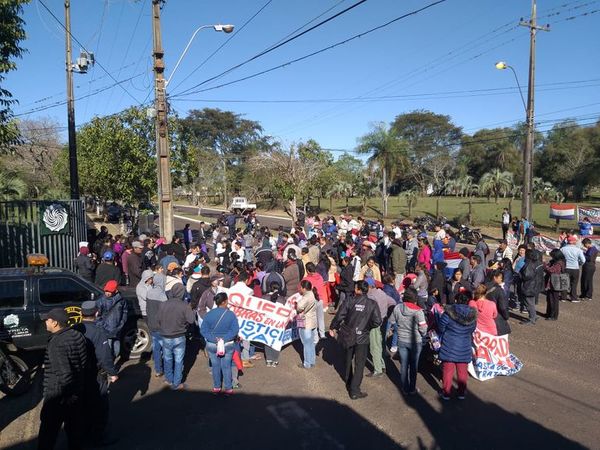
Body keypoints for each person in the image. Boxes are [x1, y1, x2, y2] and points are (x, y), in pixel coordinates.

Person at [38, 308, 88, 450]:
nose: (45, 322)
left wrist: (68, 395)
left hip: (59, 395)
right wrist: (76, 392)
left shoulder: (56, 343)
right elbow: (83, 363)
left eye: (47, 320)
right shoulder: (77, 335)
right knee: (74, 432)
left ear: (55, 323)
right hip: (76, 392)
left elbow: (64, 374)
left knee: (48, 434)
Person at [329, 280, 382, 400]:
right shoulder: (372, 304)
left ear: (358, 289)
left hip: (349, 334)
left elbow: (339, 316)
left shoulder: (349, 300)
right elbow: (377, 321)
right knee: (360, 363)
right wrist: (367, 328)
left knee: (348, 359)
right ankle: (354, 389)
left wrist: (333, 327)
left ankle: (349, 382)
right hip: (362, 337)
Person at [79, 301, 118, 446]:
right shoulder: (98, 332)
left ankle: (84, 433)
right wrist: (112, 372)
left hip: (78, 375)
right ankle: (99, 437)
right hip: (95, 375)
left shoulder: (75, 329)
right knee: (100, 407)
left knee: (83, 406)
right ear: (96, 313)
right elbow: (104, 356)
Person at [438, 292, 477, 400]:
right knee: (462, 371)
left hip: (449, 344)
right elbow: (472, 329)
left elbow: (441, 326)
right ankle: (461, 393)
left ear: (456, 300)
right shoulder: (472, 315)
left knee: (448, 371)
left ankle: (446, 393)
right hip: (464, 345)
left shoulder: (448, 313)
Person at [388, 287, 427, 395]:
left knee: (404, 365)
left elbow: (391, 320)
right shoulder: (419, 312)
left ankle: (405, 388)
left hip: (402, 340)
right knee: (413, 366)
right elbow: (423, 329)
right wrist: (423, 334)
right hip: (416, 342)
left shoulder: (397, 307)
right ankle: (412, 388)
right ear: (415, 298)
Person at [157, 283, 195, 389]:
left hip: (166, 336)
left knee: (168, 358)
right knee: (178, 360)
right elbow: (191, 320)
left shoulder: (163, 304)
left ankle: (169, 379)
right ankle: (176, 383)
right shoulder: (185, 305)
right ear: (182, 293)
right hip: (179, 336)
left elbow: (158, 320)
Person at [201, 292, 240, 395]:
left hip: (212, 344)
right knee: (227, 366)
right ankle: (228, 388)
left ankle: (217, 387)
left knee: (215, 366)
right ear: (224, 302)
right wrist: (224, 339)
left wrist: (214, 339)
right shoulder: (231, 315)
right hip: (227, 344)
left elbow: (203, 330)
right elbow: (235, 330)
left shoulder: (209, 314)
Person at [365, 278, 395, 378]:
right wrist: (387, 315)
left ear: (369, 286)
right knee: (381, 344)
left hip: (374, 324)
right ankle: (382, 365)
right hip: (383, 321)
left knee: (374, 346)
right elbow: (393, 302)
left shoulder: (370, 296)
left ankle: (377, 370)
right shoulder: (381, 292)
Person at [95, 280, 128, 359]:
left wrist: (121, 324)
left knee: (116, 349)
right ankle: (110, 365)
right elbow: (97, 315)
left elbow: (124, 312)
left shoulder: (121, 301)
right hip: (105, 329)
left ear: (115, 291)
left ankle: (113, 361)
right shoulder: (101, 301)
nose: (107, 293)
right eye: (106, 291)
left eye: (109, 291)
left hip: (117, 329)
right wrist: (101, 325)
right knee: (108, 350)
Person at [295, 280, 319, 369]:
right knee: (311, 343)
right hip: (312, 321)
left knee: (306, 343)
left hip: (306, 323)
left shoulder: (306, 297)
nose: (299, 289)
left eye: (300, 287)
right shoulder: (312, 294)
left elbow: (299, 307)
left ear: (304, 288)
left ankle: (307, 363)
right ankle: (312, 361)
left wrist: (296, 306)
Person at [263, 282, 287, 367]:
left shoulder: (264, 297)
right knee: (276, 341)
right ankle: (275, 360)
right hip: (278, 324)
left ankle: (268, 360)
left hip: (267, 323)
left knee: (267, 341)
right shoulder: (282, 299)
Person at [519, 249, 544, 325]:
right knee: (532, 302)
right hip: (536, 285)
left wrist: (520, 274)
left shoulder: (529, 264)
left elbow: (527, 276)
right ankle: (534, 315)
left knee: (528, 303)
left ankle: (532, 318)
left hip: (529, 286)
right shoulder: (539, 263)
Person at [560, 235, 586, 303]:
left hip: (565, 267)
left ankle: (563, 297)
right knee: (574, 283)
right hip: (575, 268)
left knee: (564, 282)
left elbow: (559, 258)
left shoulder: (563, 249)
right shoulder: (578, 250)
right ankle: (573, 297)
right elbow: (583, 260)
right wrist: (579, 264)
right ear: (574, 242)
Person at [485, 270, 511, 335]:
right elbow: (503, 307)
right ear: (495, 278)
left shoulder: (483, 287)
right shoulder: (499, 290)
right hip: (496, 317)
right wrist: (506, 316)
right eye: (500, 277)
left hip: (485, 316)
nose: (501, 279)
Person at [543, 249, 566, 321]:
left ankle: (553, 315)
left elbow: (551, 270)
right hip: (551, 283)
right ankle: (549, 313)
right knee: (549, 299)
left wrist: (544, 264)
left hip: (555, 283)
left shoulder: (559, 263)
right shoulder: (554, 261)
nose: (551, 257)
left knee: (554, 300)